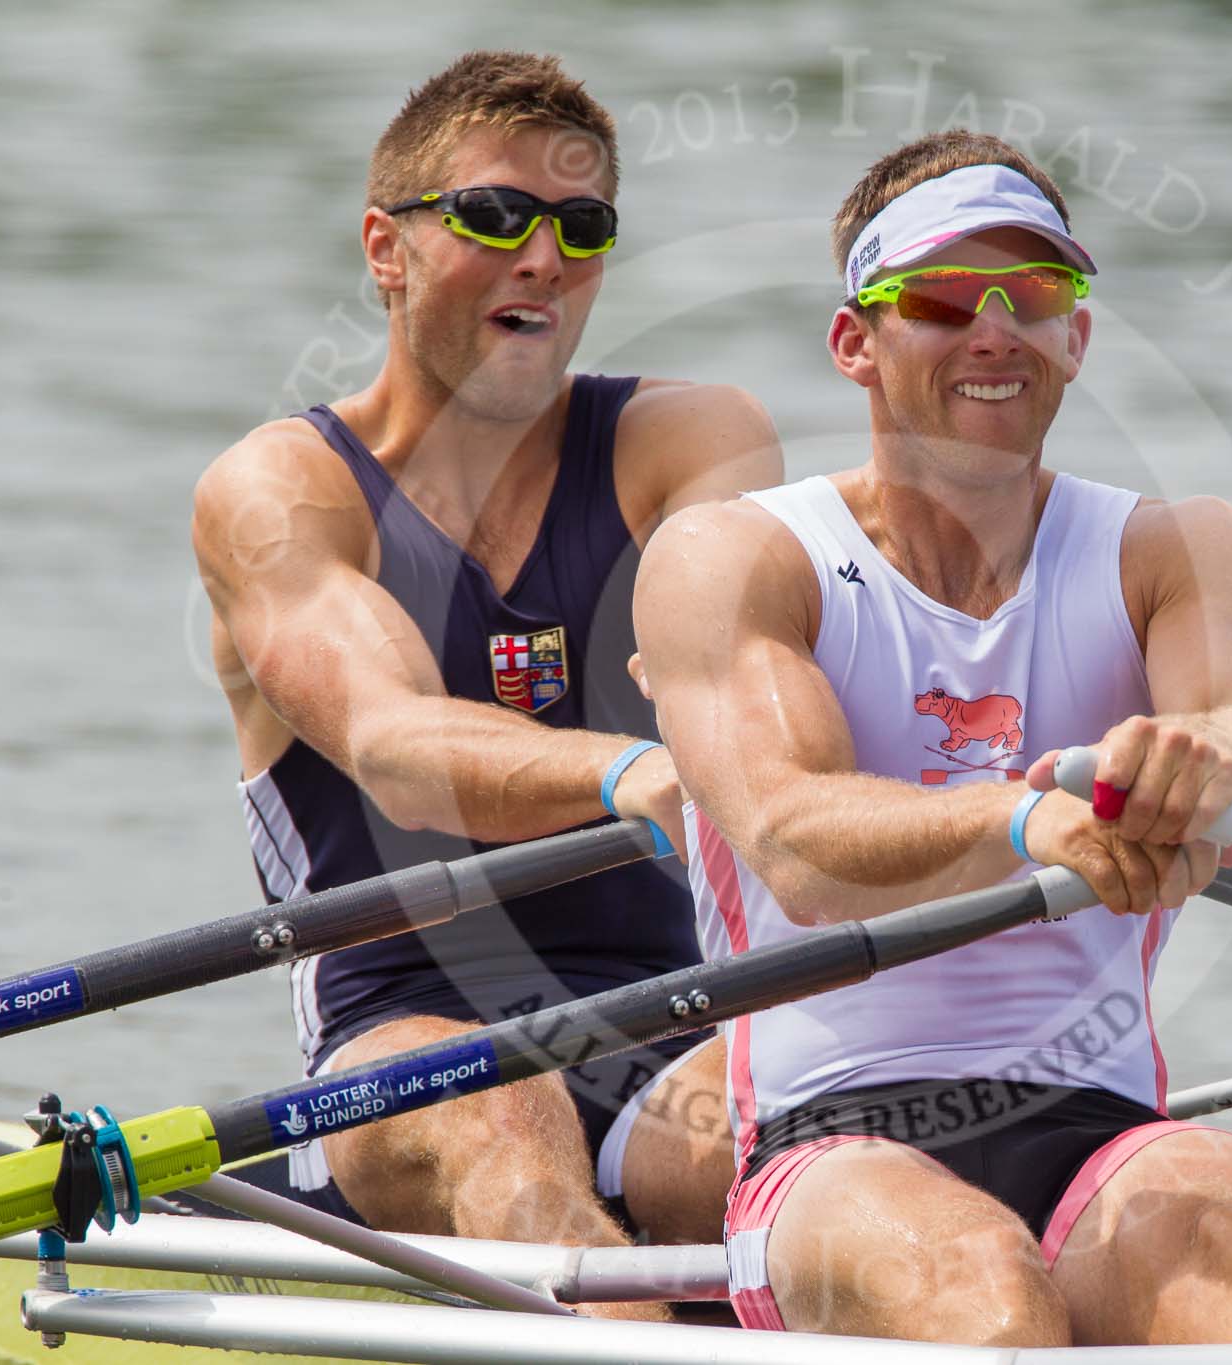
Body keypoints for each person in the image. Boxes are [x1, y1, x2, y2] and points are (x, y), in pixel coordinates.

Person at [632, 132, 1232, 1346]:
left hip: (1102, 1130)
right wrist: (1020, 817)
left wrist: (1208, 767)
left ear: (1075, 338)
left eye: (1033, 298)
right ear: (856, 343)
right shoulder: (738, 557)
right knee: (978, 1290)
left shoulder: (1177, 548)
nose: (993, 333)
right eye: (943, 301)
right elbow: (795, 842)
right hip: (829, 1140)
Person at [192, 51, 776, 1311]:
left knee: (811, 1149)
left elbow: (742, 677)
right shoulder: (283, 492)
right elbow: (399, 748)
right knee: (505, 1118)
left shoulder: (689, 443)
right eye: (495, 217)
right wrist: (630, 767)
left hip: (673, 1012)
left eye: (581, 227)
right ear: (384, 249)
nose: (544, 258)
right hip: (396, 1028)